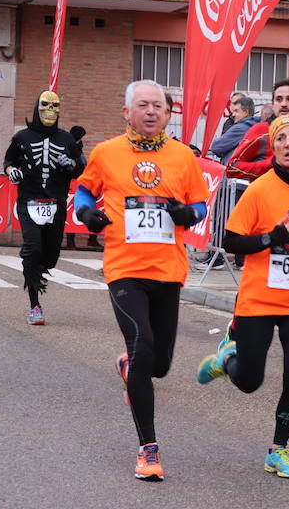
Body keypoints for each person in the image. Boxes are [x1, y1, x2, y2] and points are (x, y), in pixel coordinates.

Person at [196, 114, 289, 479]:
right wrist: (271, 238)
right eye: (282, 139)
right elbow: (231, 240)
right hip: (258, 301)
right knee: (249, 382)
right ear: (274, 147)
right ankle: (226, 360)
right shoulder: (259, 189)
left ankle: (279, 450)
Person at [75, 79, 209, 481]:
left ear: (168, 114)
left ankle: (128, 366)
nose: (151, 112)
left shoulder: (183, 156)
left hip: (168, 270)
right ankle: (148, 450)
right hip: (124, 268)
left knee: (160, 365)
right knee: (143, 345)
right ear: (127, 112)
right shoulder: (106, 152)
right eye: (144, 105)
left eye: (158, 106)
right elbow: (85, 191)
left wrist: (190, 214)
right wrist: (86, 214)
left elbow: (200, 202)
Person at [3, 90, 84, 325]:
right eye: (46, 105)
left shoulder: (67, 139)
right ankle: (34, 305)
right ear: (37, 107)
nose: (50, 110)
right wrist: (12, 172)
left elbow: (80, 167)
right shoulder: (22, 138)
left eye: (55, 106)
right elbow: (9, 161)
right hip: (29, 202)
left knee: (50, 256)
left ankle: (37, 268)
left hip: (56, 204)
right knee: (33, 249)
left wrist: (70, 163)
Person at [64, 125, 92, 251]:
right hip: (71, 184)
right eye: (82, 136)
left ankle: (92, 239)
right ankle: (70, 243)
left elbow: (83, 163)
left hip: (80, 183)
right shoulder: (70, 148)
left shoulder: (78, 148)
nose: (83, 139)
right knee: (70, 214)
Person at [210, 96, 258, 165]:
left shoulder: (240, 128)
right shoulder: (255, 126)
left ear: (246, 112)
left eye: (236, 111)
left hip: (232, 171)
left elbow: (216, 146)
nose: (233, 115)